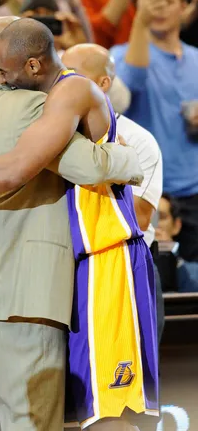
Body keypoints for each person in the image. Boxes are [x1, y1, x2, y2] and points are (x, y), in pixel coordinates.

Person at [0, 18, 158, 431]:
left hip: (104, 255)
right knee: (54, 416)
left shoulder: (60, 94)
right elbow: (74, 162)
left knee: (102, 411)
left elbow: (19, 168)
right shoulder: (24, 100)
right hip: (51, 273)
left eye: (2, 69)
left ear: (34, 65)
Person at [61, 42, 165, 344]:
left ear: (103, 83)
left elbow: (140, 218)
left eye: (73, 74)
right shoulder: (52, 133)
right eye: (61, 74)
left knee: (131, 379)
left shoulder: (138, 141)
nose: (62, 83)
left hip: (126, 267)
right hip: (67, 268)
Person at [111, 0, 198, 264]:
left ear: (185, 7)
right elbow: (130, 85)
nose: (158, 7)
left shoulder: (196, 58)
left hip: (194, 189)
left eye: (167, 0)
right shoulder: (120, 55)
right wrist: (140, 23)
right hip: (146, 190)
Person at [156, 194, 198, 293]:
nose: (154, 224)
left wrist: (167, 253)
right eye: (147, 216)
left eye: (161, 217)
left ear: (176, 225)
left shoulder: (194, 272)